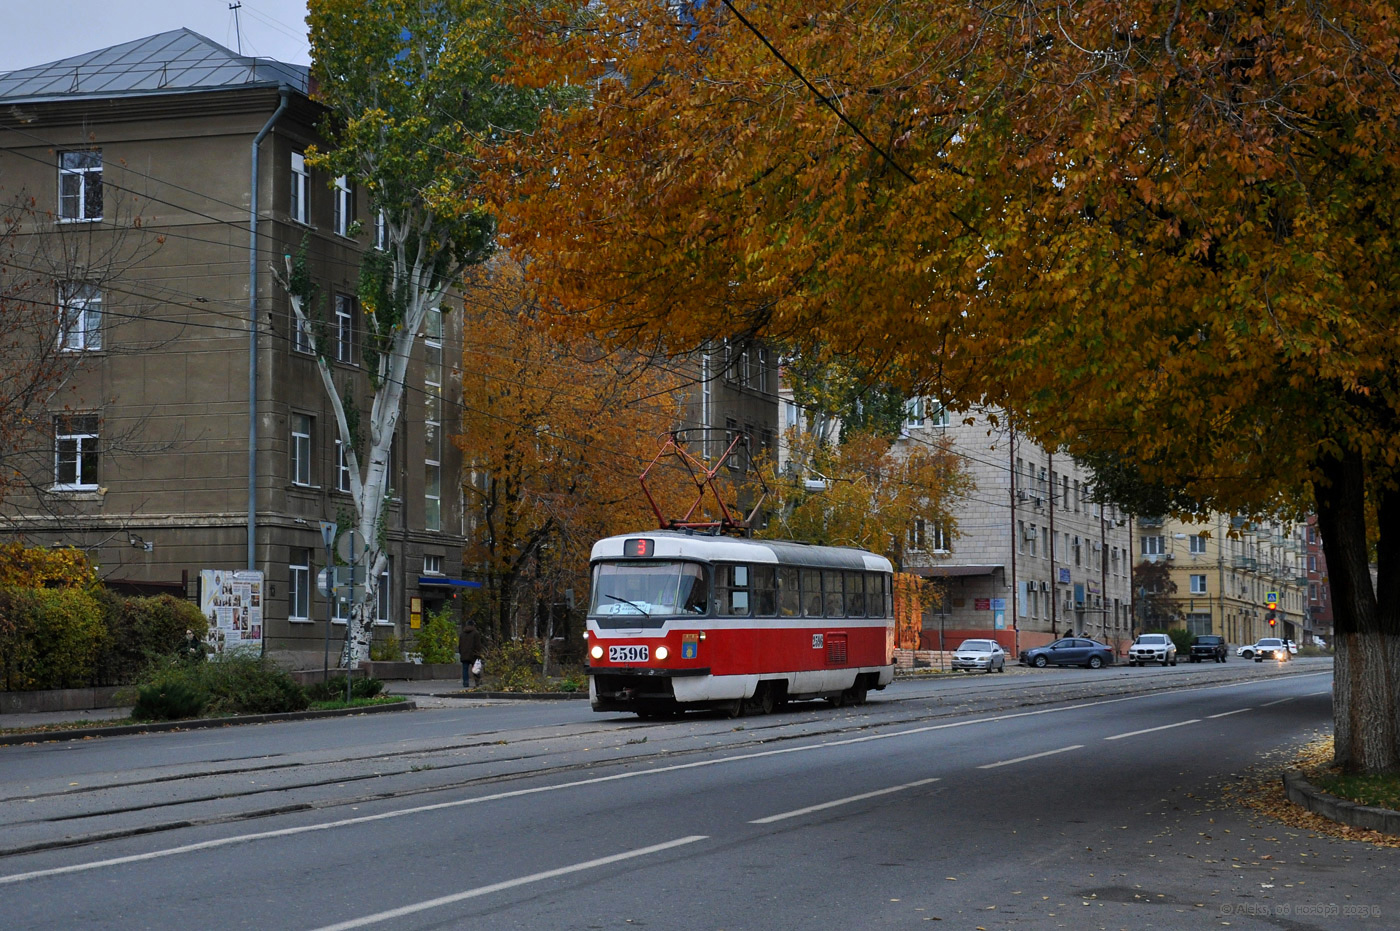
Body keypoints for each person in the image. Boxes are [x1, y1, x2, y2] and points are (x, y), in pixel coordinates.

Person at [458, 618, 483, 688]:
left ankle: (465, 683)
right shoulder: (476, 633)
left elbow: (460, 645)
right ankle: (477, 681)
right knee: (476, 668)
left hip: (464, 654)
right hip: (473, 654)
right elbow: (478, 645)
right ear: (473, 625)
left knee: (465, 669)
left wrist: (461, 652)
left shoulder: (462, 633)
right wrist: (478, 653)